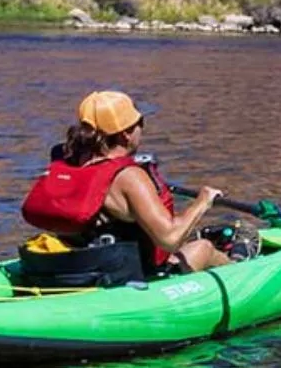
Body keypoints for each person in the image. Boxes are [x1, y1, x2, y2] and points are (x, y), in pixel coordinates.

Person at [24, 91, 231, 275]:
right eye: (139, 123)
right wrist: (203, 201)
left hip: (80, 264)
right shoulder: (128, 177)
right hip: (127, 275)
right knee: (204, 247)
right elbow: (169, 239)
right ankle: (240, 268)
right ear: (126, 133)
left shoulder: (67, 159)